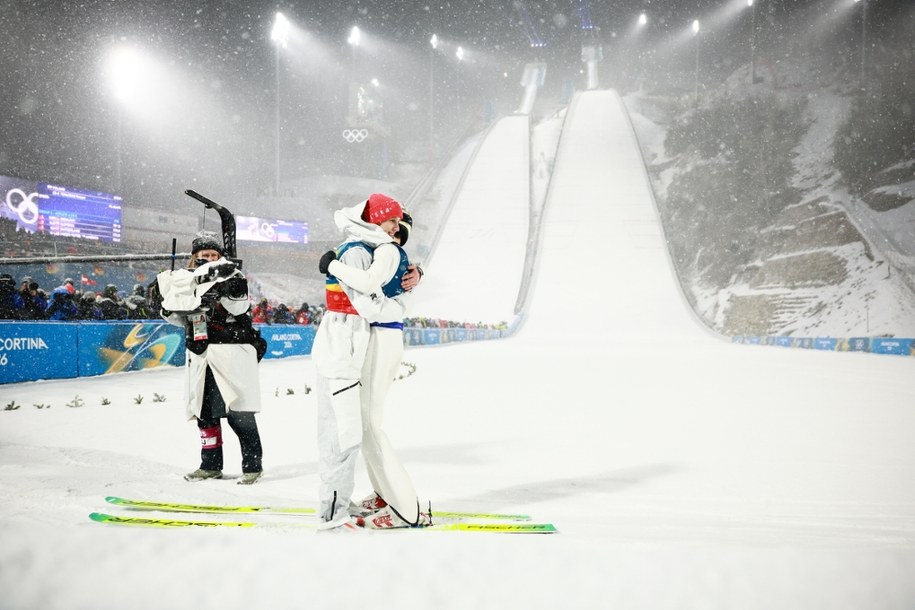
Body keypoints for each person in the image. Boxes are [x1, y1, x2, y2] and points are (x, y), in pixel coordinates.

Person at [311, 193, 425, 529]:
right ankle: (386, 495)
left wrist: (331, 265)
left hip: (379, 334)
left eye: (399, 227)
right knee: (360, 424)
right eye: (392, 222)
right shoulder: (367, 249)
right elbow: (373, 293)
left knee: (365, 426)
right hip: (369, 336)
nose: (395, 231)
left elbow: (370, 300)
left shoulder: (381, 250)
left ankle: (402, 506)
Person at [157, 231, 267, 485]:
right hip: (200, 354)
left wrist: (221, 287)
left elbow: (240, 307)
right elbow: (179, 317)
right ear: (194, 257)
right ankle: (210, 465)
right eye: (204, 255)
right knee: (205, 414)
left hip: (230, 354)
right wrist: (167, 307)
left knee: (239, 413)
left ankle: (253, 466)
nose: (209, 258)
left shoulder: (233, 275)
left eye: (213, 255)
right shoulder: (185, 280)